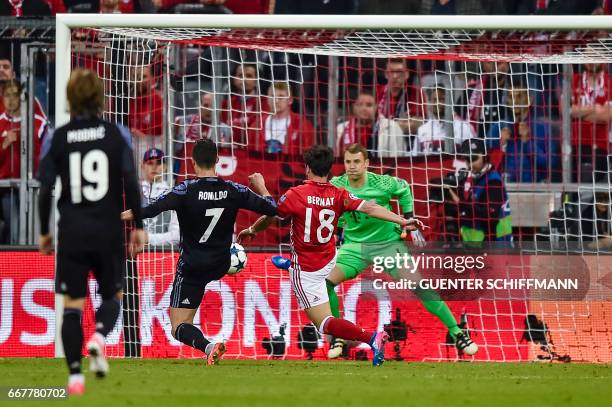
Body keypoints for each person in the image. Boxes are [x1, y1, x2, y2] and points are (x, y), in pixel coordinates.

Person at [237, 145, 420, 366]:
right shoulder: (338, 193)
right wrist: (402, 220)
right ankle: (289, 265)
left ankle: (373, 337)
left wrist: (260, 198)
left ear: (307, 169)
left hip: (308, 269)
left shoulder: (296, 194)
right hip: (328, 259)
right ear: (330, 170)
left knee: (324, 324)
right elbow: (371, 208)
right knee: (320, 264)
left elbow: (271, 213)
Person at [121, 138, 277, 365]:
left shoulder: (185, 190)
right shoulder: (233, 190)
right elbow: (273, 209)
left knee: (179, 326)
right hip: (220, 263)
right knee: (227, 255)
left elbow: (148, 210)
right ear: (217, 160)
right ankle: (234, 261)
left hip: (193, 266)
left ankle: (208, 346)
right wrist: (261, 185)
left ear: (193, 163)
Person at [38, 69, 145, 395]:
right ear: (100, 98)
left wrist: (45, 232)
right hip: (108, 229)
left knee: (72, 304)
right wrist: (138, 225)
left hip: (71, 230)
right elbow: (131, 180)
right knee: (113, 295)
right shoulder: (116, 134)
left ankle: (74, 377)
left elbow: (44, 188)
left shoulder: (58, 136)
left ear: (70, 98)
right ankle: (99, 337)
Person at [324, 143, 478, 358]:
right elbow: (326, 205)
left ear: (366, 163)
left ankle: (457, 332)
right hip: (354, 247)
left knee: (421, 287)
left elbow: (404, 188)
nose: (351, 166)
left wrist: (407, 218)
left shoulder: (382, 183)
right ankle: (338, 335)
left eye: (357, 161)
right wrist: (337, 227)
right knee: (326, 282)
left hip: (388, 245)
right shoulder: (336, 185)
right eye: (348, 162)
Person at [0, 80, 47, 244]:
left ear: (22, 97)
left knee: (34, 234)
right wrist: (4, 145)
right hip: (7, 188)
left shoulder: (38, 123)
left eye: (14, 95)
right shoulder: (0, 122)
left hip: (34, 187)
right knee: (14, 234)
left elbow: (46, 155)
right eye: (7, 95)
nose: (10, 100)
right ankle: (14, 267)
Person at [445, 138, 513, 243]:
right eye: (467, 160)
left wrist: (460, 203)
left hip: (495, 244)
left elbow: (489, 215)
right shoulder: (470, 178)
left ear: (485, 156)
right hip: (474, 245)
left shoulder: (493, 181)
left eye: (474, 159)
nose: (470, 164)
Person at [570, 63, 612, 182]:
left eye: (595, 53)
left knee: (595, 182)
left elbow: (606, 116)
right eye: (589, 53)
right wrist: (595, 108)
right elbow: (565, 110)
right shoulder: (574, 80)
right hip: (575, 141)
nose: (591, 59)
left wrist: (578, 112)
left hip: (601, 144)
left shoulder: (610, 82)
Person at [336, 92, 406, 158]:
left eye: (369, 105)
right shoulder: (341, 129)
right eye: (360, 104)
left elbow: (398, 159)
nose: (364, 109)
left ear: (376, 107)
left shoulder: (392, 127)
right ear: (353, 107)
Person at [413, 86, 475, 155]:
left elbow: (472, 157)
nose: (437, 103)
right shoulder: (422, 130)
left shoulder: (463, 128)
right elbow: (415, 158)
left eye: (441, 99)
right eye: (434, 100)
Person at [257, 81, 315, 155]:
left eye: (281, 97)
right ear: (267, 99)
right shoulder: (257, 125)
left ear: (290, 100)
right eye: (272, 96)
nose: (276, 101)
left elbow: (309, 157)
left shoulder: (303, 125)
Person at [140, 148, 180, 248]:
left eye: (158, 163)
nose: (154, 167)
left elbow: (177, 236)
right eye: (150, 163)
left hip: (163, 259)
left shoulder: (174, 195)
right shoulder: (133, 194)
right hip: (134, 256)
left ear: (165, 167)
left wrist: (148, 238)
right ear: (142, 166)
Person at [376, 58, 423, 136]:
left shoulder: (416, 93)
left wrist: (387, 125)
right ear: (386, 74)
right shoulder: (377, 92)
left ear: (407, 74)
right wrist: (401, 123)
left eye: (399, 72)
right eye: (391, 72)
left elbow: (419, 123)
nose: (395, 76)